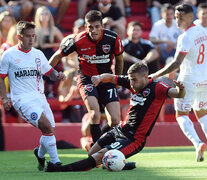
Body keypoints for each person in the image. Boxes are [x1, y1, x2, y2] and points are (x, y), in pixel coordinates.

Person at [45, 61, 185, 172]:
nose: (131, 84)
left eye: (134, 80)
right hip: (120, 130)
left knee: (100, 156)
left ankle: (62, 169)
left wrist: (181, 89)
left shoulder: (157, 88)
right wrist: (100, 78)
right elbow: (112, 78)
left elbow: (177, 94)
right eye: (130, 80)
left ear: (145, 77)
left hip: (134, 138)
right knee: (92, 152)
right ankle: (121, 163)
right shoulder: (134, 83)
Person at [49, 10, 124, 144]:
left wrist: (117, 79)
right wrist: (46, 72)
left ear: (102, 26)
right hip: (87, 79)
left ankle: (98, 141)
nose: (93, 30)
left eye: (96, 26)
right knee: (94, 114)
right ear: (86, 26)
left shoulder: (113, 38)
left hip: (106, 79)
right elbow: (57, 56)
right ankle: (96, 152)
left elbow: (120, 60)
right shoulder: (78, 40)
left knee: (115, 121)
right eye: (90, 27)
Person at [0, 21, 66, 170]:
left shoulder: (38, 54)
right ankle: (55, 163)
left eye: (33, 36)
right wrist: (4, 97)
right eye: (28, 36)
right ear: (19, 37)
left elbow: (50, 73)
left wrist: (59, 75)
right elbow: (1, 77)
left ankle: (40, 154)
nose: (31, 40)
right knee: (47, 127)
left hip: (40, 97)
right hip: (22, 99)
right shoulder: (8, 55)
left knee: (50, 131)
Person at [150, 4, 207, 162]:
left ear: (190, 17)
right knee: (202, 112)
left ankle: (197, 143)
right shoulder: (203, 31)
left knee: (181, 114)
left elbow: (176, 63)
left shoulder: (185, 37)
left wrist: (156, 74)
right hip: (204, 79)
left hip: (188, 80)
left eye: (181, 17)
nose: (177, 20)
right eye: (176, 17)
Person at [34, 5, 64, 98]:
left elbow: (64, 42)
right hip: (37, 54)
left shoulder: (53, 29)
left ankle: (50, 90)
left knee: (50, 62)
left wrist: (50, 45)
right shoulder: (34, 29)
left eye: (46, 14)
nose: (44, 16)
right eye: (42, 14)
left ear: (50, 16)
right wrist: (38, 45)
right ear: (38, 16)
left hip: (49, 54)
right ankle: (40, 89)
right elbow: (29, 44)